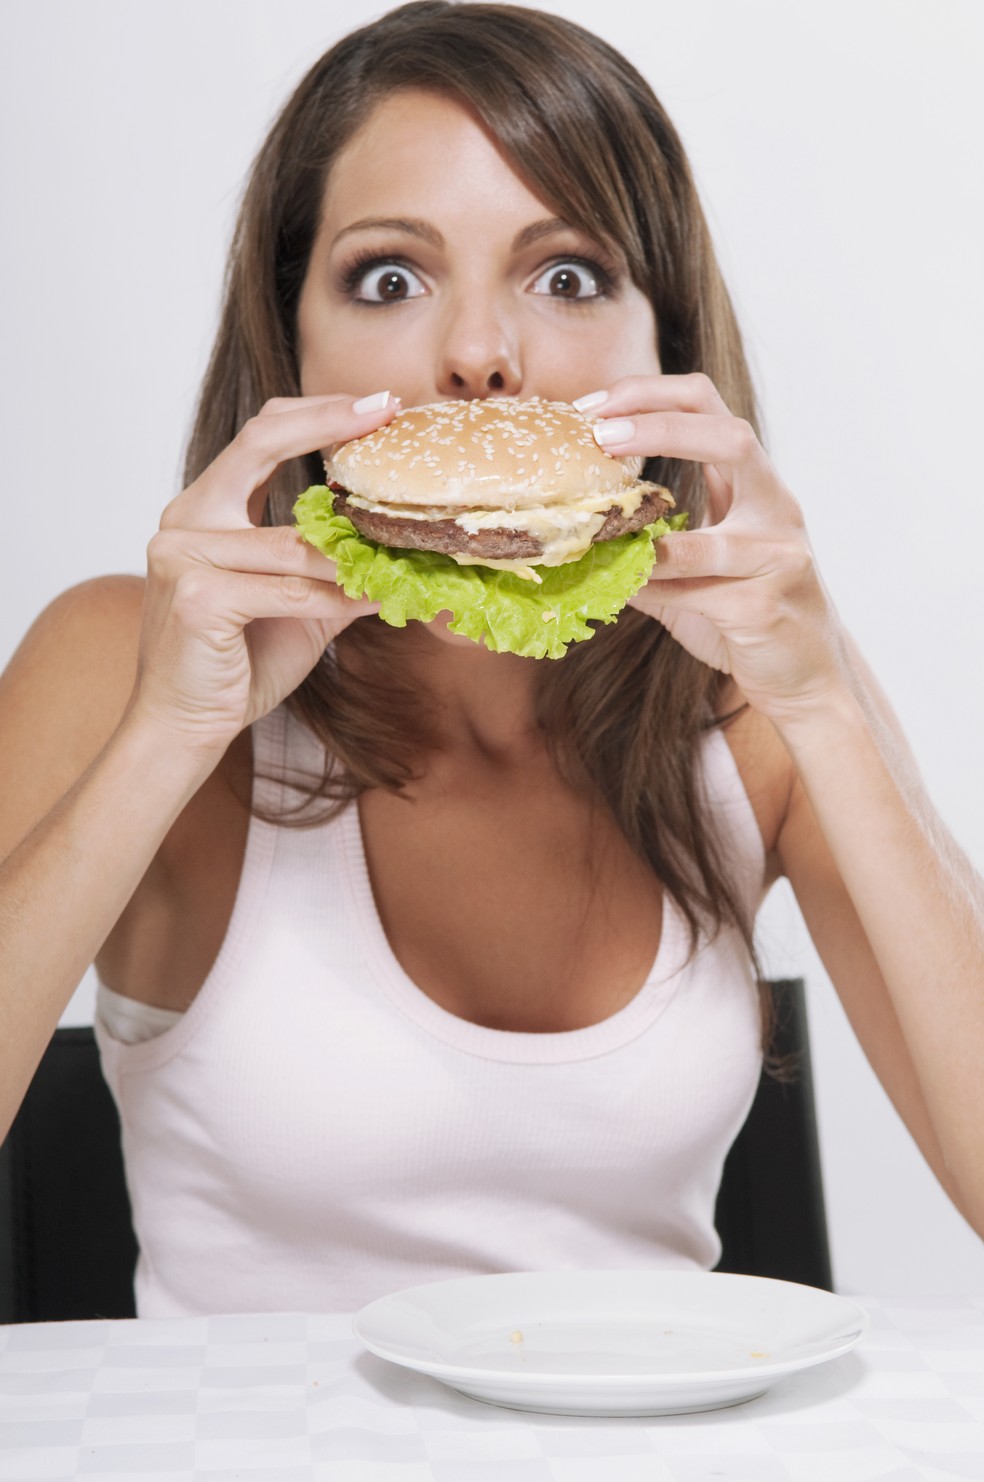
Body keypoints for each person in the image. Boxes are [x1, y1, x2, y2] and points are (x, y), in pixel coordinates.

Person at [0, 0, 981, 1316]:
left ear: (667, 352)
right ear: (289, 342)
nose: (479, 356)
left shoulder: (751, 701)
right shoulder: (119, 658)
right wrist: (167, 737)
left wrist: (830, 708)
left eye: (567, 274)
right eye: (389, 277)